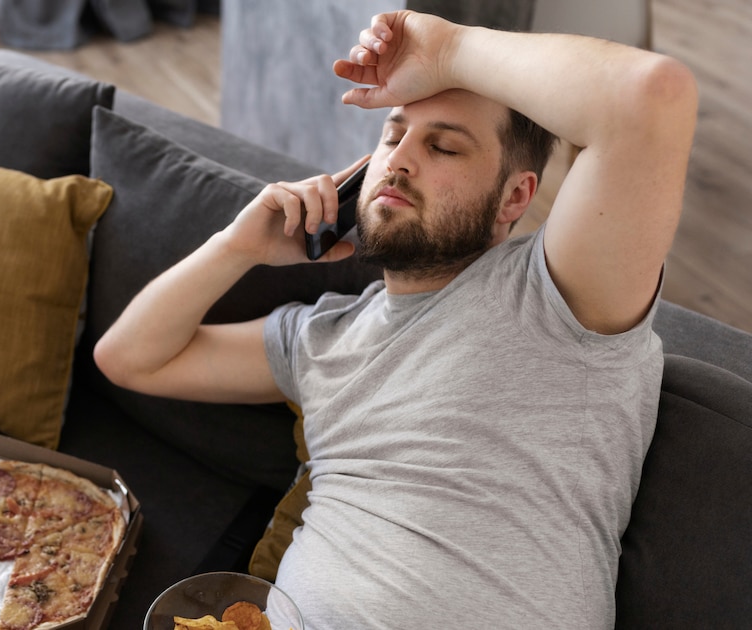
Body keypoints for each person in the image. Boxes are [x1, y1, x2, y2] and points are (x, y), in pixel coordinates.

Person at [94, 9, 698, 629]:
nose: (400, 159)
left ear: (515, 198)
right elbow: (129, 357)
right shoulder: (321, 338)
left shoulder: (558, 295)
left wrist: (451, 48)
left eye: (443, 145)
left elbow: (654, 97)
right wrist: (236, 247)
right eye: (392, 135)